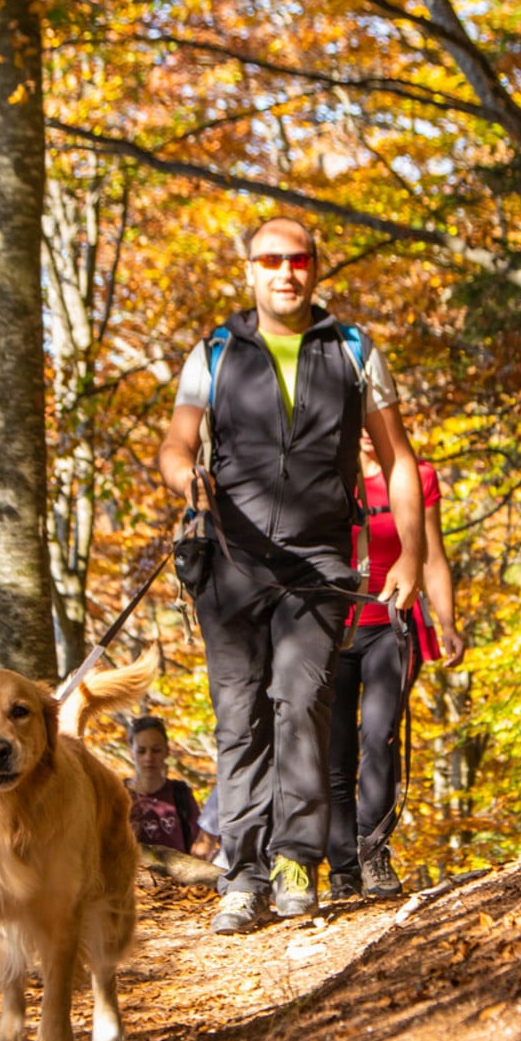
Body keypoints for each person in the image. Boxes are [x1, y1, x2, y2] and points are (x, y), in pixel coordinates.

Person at [155, 215, 425, 934]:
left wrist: (414, 559)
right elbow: (177, 442)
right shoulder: (213, 351)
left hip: (321, 564)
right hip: (231, 564)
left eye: (298, 259)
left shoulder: (353, 349)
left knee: (301, 699)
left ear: (315, 268)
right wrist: (189, 479)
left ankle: (296, 860)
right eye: (270, 259)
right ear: (249, 269)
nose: (285, 271)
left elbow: (397, 460)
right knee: (239, 717)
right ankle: (241, 875)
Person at [327, 429, 464, 900]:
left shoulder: (417, 478)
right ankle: (341, 865)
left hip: (392, 624)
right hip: (331, 630)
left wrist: (447, 622)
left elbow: (432, 557)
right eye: (357, 420)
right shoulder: (329, 477)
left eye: (374, 421)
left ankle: (373, 851)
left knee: (378, 735)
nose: (365, 431)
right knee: (335, 748)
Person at [124, 714, 202, 853]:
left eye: (156, 750)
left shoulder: (181, 794)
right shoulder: (117, 795)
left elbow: (198, 849)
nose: (149, 758)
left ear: (167, 751)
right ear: (131, 753)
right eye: (141, 751)